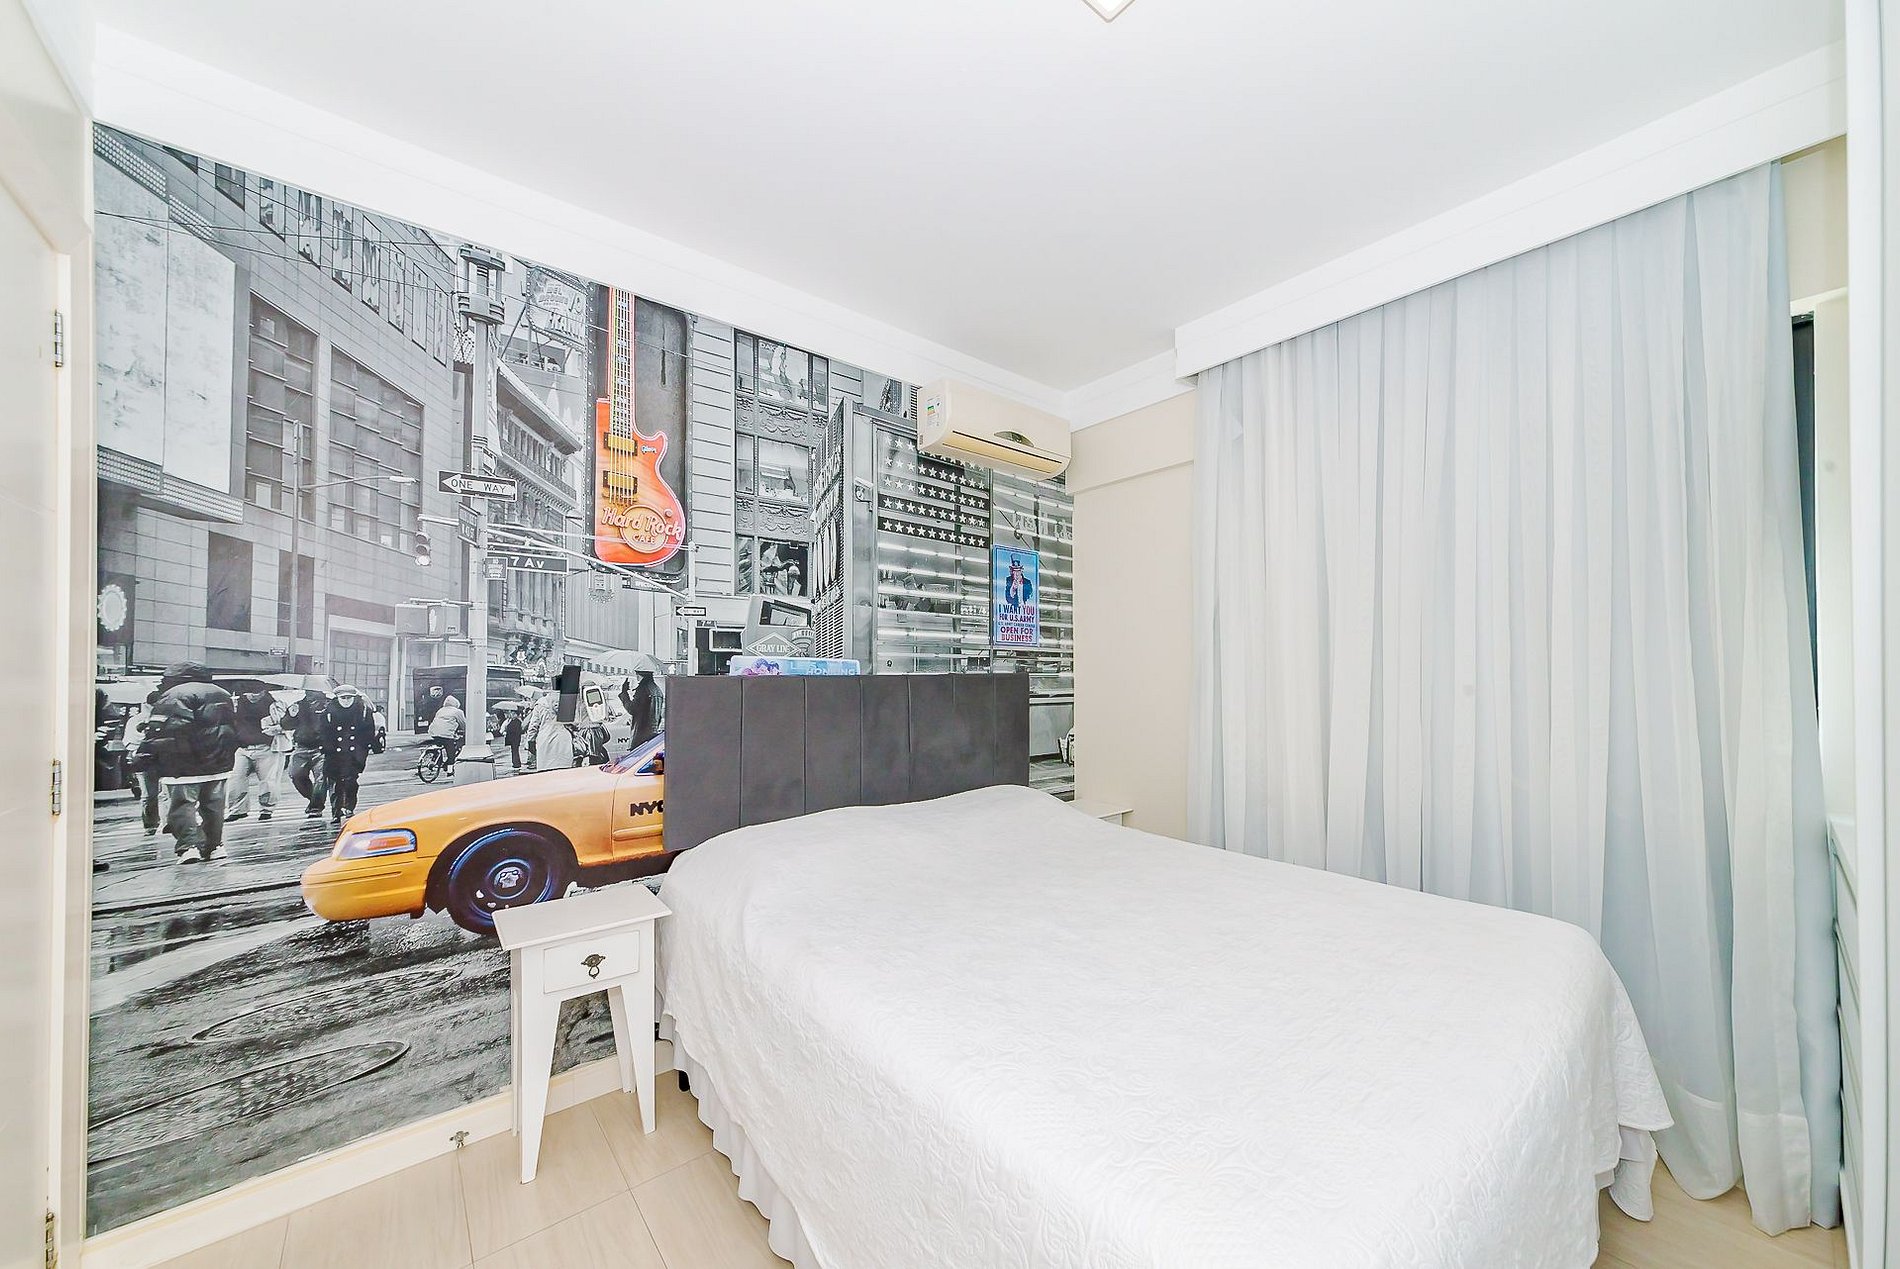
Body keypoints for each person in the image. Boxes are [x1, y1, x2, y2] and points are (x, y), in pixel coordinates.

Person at [139, 661, 238, 863]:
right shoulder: (223, 693)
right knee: (214, 806)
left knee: (182, 805)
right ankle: (215, 846)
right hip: (218, 761)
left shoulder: (175, 694)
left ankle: (189, 847)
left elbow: (166, 729)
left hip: (184, 763)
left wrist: (147, 753)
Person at [319, 685, 382, 824]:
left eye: (349, 698)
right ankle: (336, 812)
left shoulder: (363, 710)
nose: (346, 700)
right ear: (337, 698)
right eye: (343, 698)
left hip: (354, 754)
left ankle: (349, 807)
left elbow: (368, 732)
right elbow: (323, 732)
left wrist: (363, 749)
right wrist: (326, 747)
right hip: (334, 753)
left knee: (350, 782)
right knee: (335, 783)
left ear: (354, 698)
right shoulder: (329, 712)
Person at [225, 690, 287, 822]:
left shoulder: (274, 703)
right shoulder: (237, 703)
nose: (253, 695)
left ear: (264, 691)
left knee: (268, 781)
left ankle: (266, 809)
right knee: (236, 779)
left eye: (257, 692)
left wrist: (276, 728)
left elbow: (285, 723)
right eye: (250, 692)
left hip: (267, 746)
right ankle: (237, 810)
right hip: (242, 747)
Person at [284, 688, 331, 820]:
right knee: (295, 775)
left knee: (321, 778)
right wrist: (291, 715)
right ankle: (314, 799)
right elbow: (286, 725)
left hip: (322, 748)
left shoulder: (328, 705)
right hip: (301, 746)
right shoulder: (298, 705)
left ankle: (316, 807)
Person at [621, 671, 662, 750]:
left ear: (640, 674)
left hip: (641, 736)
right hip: (652, 735)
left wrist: (624, 693)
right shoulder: (657, 690)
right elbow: (659, 716)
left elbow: (632, 709)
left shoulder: (643, 689)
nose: (636, 676)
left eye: (637, 674)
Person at [426, 693, 466, 765]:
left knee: (438, 747)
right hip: (446, 735)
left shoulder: (440, 710)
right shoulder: (458, 711)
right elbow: (463, 723)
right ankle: (448, 767)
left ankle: (437, 762)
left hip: (434, 733)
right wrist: (466, 731)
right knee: (451, 753)